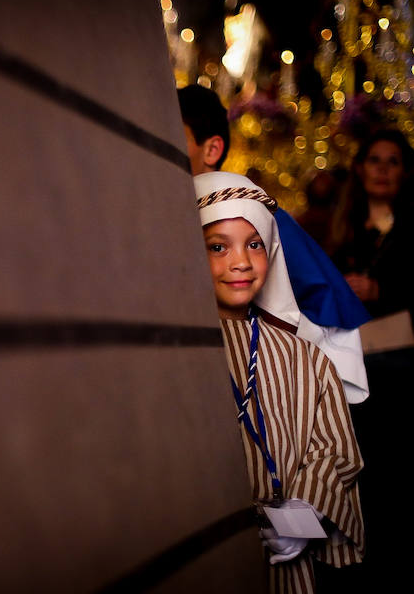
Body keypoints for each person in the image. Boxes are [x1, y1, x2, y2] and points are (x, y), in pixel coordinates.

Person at [196, 171, 365, 594]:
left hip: (286, 565)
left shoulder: (304, 357)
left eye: (255, 244)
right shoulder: (169, 353)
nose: (241, 261)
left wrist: (303, 510)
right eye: (218, 246)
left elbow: (333, 449)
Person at [178, 85, 371, 403]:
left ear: (211, 149)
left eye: (174, 139)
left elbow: (321, 303)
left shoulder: (258, 216)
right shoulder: (162, 213)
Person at [331, 129, 414, 320]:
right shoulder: (344, 227)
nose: (382, 169)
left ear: (405, 172)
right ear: (360, 169)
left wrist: (379, 292)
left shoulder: (409, 228)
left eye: (393, 162)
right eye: (374, 160)